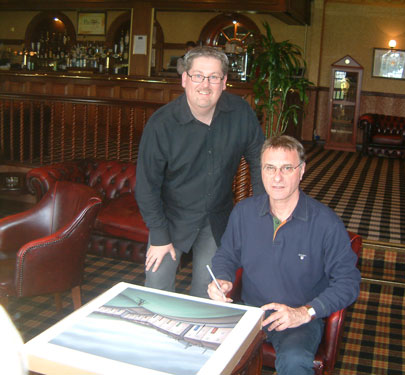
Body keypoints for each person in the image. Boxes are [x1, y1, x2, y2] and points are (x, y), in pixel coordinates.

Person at [208, 135, 360, 375]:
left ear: (301, 171)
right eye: (270, 168)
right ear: (261, 171)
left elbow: (348, 283)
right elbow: (226, 255)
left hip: (297, 319)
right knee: (201, 345)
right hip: (251, 312)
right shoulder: (243, 212)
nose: (277, 177)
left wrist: (305, 312)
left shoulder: (326, 223)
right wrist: (222, 279)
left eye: (286, 168)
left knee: (294, 361)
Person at [135, 46, 265, 298]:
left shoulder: (240, 112)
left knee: (210, 294)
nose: (205, 84)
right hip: (171, 218)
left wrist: (262, 212)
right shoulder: (162, 123)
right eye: (198, 76)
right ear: (184, 79)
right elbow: (146, 186)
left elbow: (260, 162)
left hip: (217, 219)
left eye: (214, 77)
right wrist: (160, 236)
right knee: (156, 290)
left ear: (224, 82)